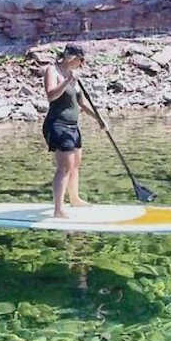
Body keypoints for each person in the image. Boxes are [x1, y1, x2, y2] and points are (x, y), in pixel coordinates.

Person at [42, 45, 107, 218]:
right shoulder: (52, 70)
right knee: (64, 167)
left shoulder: (74, 76)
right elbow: (51, 96)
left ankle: (75, 198)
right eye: (81, 60)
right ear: (71, 57)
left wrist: (99, 119)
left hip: (73, 126)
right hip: (57, 124)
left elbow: (83, 104)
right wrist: (66, 80)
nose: (82, 64)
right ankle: (58, 209)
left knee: (75, 164)